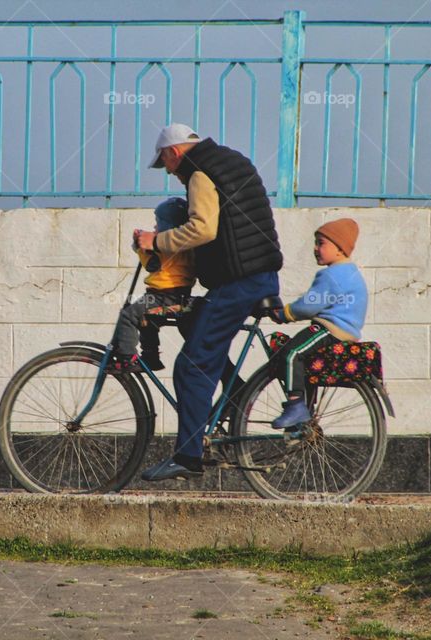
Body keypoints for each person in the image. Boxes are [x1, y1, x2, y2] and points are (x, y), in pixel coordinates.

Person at [136, 123, 284, 481]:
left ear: (173, 152)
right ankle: (236, 397)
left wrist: (156, 242)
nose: (170, 174)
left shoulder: (200, 173)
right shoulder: (229, 159)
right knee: (193, 323)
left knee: (191, 366)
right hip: (257, 275)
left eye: (166, 165)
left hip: (239, 283)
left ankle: (187, 457)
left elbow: (204, 229)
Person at [268, 218, 368, 429]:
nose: (315, 248)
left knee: (292, 353)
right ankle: (304, 409)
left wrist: (284, 314)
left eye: (321, 243)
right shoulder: (350, 272)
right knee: (304, 362)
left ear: (340, 248)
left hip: (331, 329)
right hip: (344, 331)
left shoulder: (333, 275)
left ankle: (296, 406)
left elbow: (308, 306)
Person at [109, 197, 194, 373]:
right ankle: (151, 357)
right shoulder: (183, 242)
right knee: (147, 320)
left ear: (167, 224)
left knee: (129, 315)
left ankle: (127, 358)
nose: (155, 227)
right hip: (179, 293)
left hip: (164, 295)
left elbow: (152, 265)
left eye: (158, 223)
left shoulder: (165, 243)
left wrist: (140, 247)